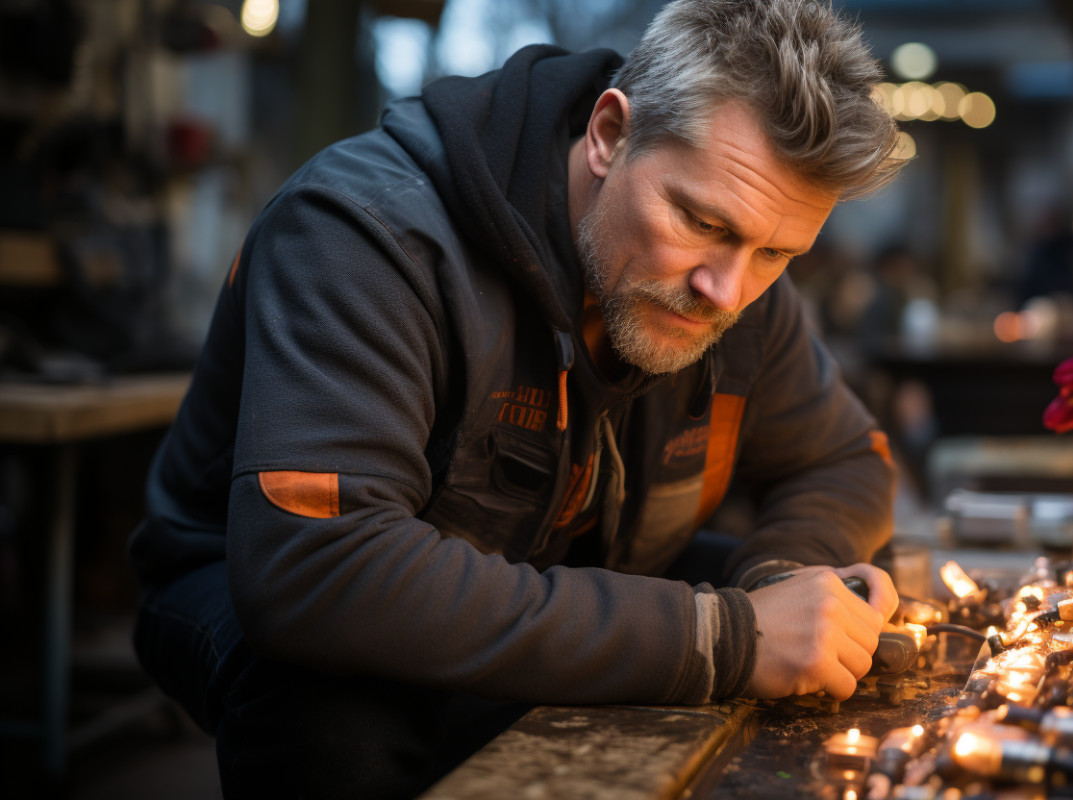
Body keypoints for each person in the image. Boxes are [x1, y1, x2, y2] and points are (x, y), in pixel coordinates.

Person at [128, 0, 907, 797]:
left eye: (777, 251)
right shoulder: (364, 235)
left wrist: (783, 578)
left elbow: (846, 459)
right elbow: (316, 569)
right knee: (331, 706)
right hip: (264, 587)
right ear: (609, 135)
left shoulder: (734, 282)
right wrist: (719, 640)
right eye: (700, 220)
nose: (726, 291)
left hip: (552, 559)